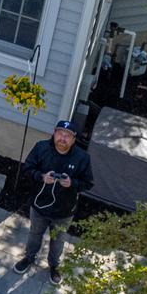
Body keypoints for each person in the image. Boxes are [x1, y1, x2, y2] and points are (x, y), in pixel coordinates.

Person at [13, 118, 94, 280]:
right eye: (60, 133)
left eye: (67, 136)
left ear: (73, 139)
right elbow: (27, 168)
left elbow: (88, 183)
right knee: (34, 234)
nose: (62, 138)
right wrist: (41, 176)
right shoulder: (41, 147)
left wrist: (72, 183)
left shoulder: (82, 157)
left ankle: (54, 265)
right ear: (54, 133)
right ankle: (29, 257)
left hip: (63, 211)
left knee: (58, 241)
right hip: (39, 206)